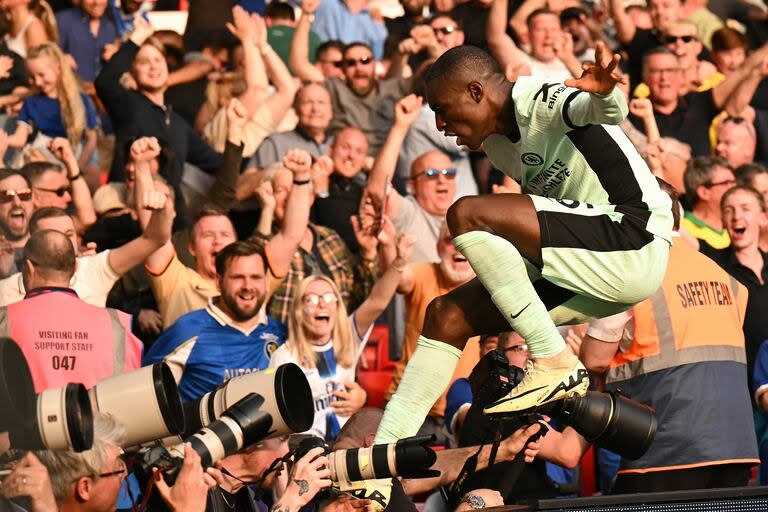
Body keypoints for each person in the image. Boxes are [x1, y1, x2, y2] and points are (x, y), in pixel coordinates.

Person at [373, 43, 673, 469]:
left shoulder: (539, 100)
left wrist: (605, 92)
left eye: (443, 108)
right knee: (446, 315)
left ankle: (551, 358)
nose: (440, 124)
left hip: (632, 239)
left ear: (476, 91)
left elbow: (603, 109)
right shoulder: (498, 147)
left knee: (466, 213)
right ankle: (381, 460)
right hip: (594, 274)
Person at [580, 182, 759, 492]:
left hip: (664, 447)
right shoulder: (725, 277)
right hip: (735, 446)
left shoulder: (633, 272)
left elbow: (592, 360)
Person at [143, 144, 312, 329]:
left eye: (225, 234)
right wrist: (141, 166)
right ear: (192, 247)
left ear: (235, 242)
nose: (218, 240)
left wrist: (302, 177)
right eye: (208, 235)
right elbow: (153, 238)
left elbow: (291, 235)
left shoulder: (252, 280)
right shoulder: (175, 282)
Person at [270, 226, 414, 441]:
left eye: (329, 298)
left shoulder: (347, 337)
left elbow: (377, 301)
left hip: (346, 444)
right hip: (304, 447)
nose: (321, 305)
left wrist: (399, 262)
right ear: (299, 310)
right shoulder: (284, 356)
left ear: (337, 307)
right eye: (311, 299)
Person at [0, 229, 144, 392]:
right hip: (97, 417)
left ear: (29, 268)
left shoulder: (4, 320)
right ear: (75, 268)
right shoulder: (118, 325)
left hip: (31, 417)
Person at [368, 95, 458, 263]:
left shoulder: (466, 215)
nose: (442, 180)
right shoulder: (408, 213)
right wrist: (400, 127)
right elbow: (377, 189)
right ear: (412, 186)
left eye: (449, 174)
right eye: (431, 174)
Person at [4, 43, 98, 171]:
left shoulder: (80, 100)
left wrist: (77, 168)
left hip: (73, 156)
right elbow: (20, 138)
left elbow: (91, 138)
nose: (37, 82)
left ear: (58, 68)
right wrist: (5, 140)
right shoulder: (31, 102)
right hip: (42, 156)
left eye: (42, 75)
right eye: (32, 77)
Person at [247, 82, 334, 170]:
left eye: (321, 103)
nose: (315, 108)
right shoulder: (275, 143)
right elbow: (245, 181)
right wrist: (278, 172)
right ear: (295, 108)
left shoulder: (341, 145)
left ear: (331, 110)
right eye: (307, 102)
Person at [21, 137, 96, 234]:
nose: (68, 197)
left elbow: (87, 219)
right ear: (35, 196)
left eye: (67, 190)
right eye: (60, 192)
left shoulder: (59, 222)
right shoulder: (16, 231)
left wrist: (70, 161)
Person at [55, 0, 119, 85]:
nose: (97, 2)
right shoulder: (62, 20)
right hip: (72, 92)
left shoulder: (109, 28)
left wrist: (116, 59)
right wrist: (59, 59)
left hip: (100, 95)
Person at [681, 156, 735, 249]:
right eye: (726, 183)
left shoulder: (739, 226)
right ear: (704, 192)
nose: (735, 188)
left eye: (734, 182)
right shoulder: (683, 230)